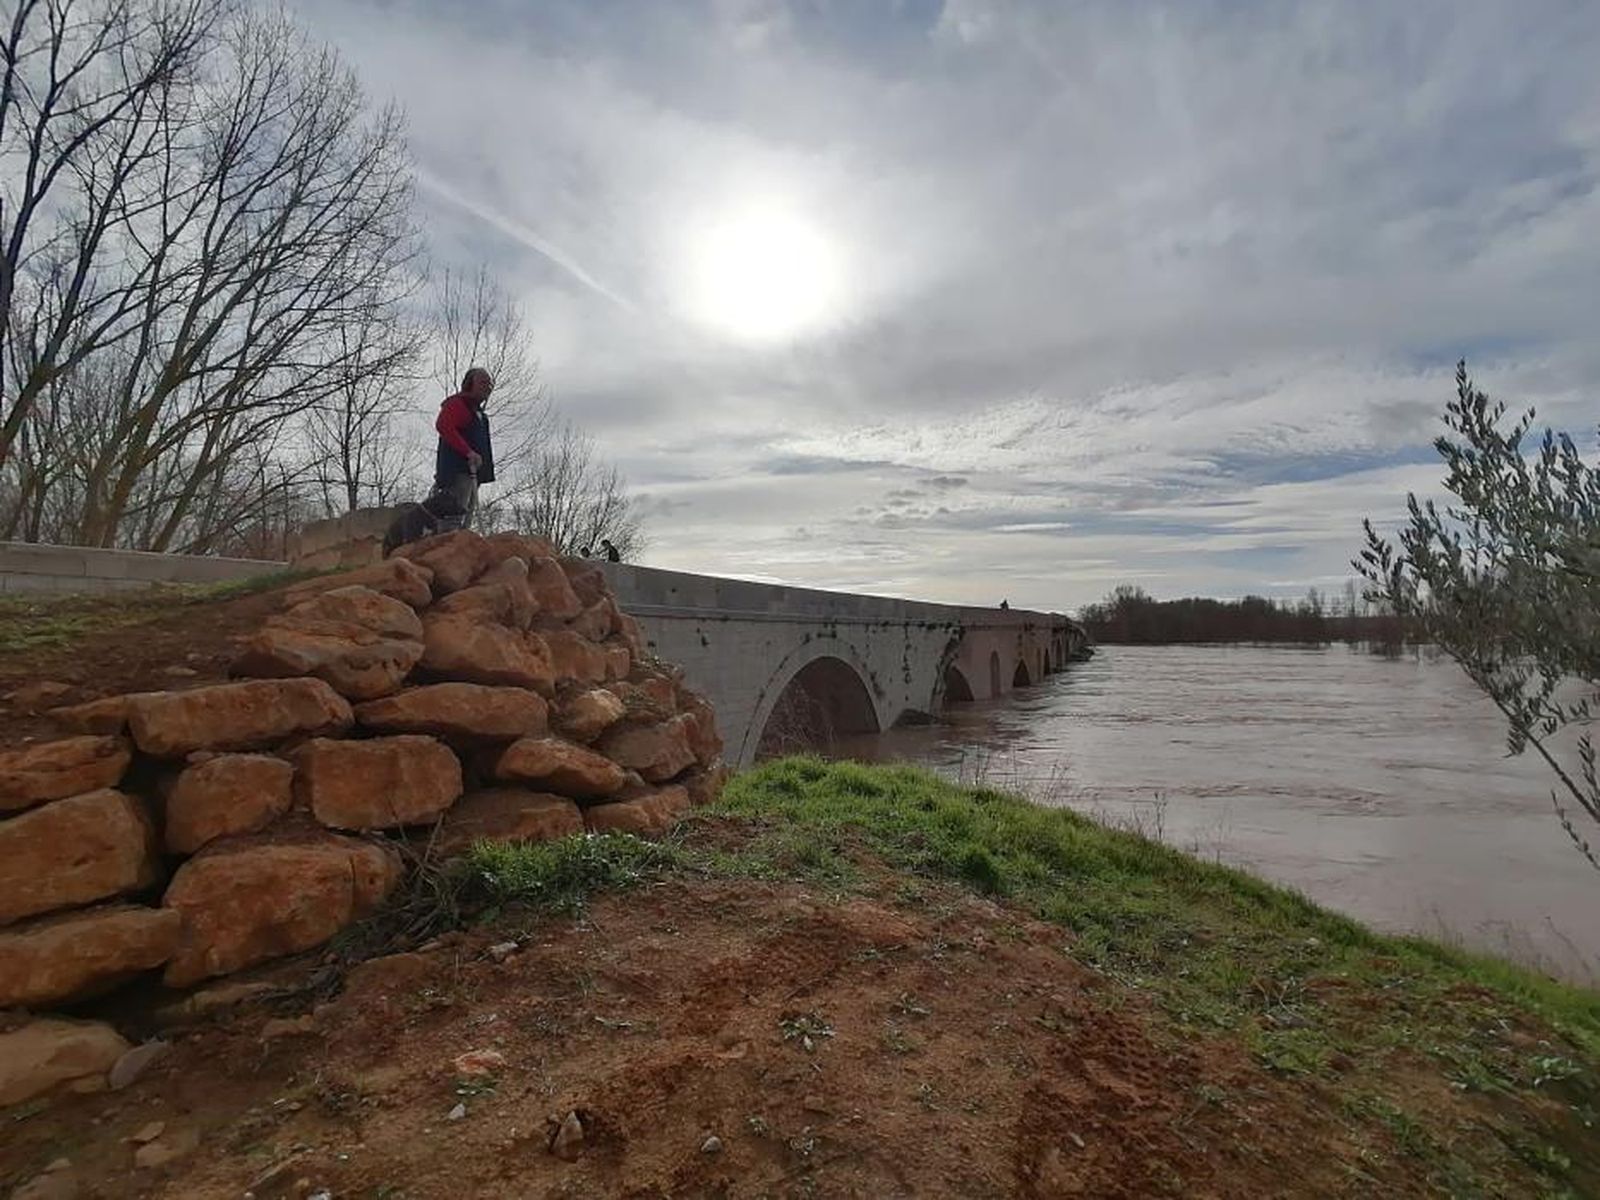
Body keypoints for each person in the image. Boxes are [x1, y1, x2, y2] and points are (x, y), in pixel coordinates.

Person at [434, 367, 496, 530]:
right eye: (483, 382)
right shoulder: (459, 404)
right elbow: (444, 425)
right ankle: (445, 550)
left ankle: (458, 549)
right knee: (452, 518)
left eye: (489, 384)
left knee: (465, 520)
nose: (487, 387)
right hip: (457, 472)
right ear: (469, 384)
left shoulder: (479, 413)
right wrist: (468, 452)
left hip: (471, 473)